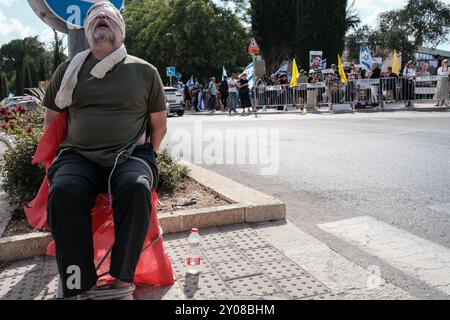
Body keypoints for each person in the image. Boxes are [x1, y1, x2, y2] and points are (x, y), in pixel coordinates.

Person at [42, 2, 168, 299]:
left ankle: (123, 278)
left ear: (120, 30)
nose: (100, 21)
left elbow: (159, 127)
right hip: (78, 156)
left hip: (130, 157)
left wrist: (145, 155)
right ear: (87, 31)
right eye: (94, 19)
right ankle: (77, 282)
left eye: (108, 18)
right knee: (62, 192)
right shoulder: (68, 70)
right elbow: (51, 121)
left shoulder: (145, 72)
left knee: (136, 187)